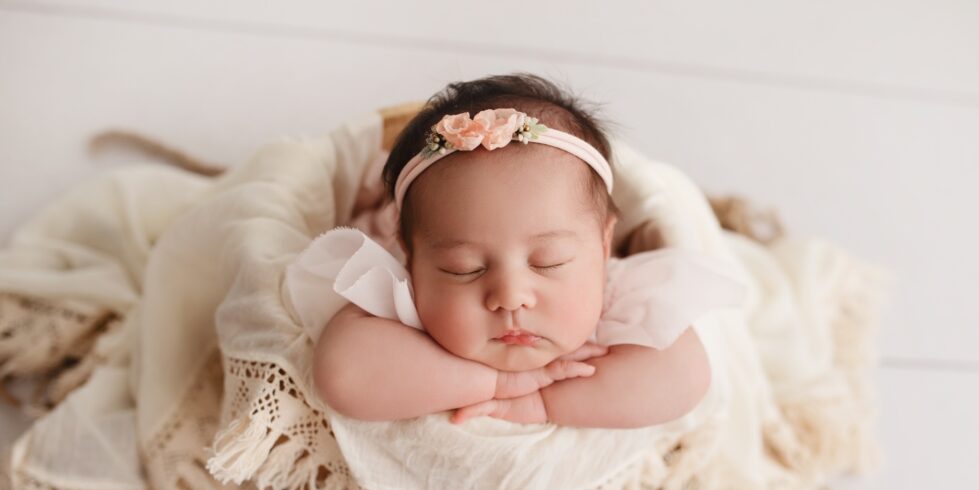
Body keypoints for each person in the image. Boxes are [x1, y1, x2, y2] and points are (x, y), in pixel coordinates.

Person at [285, 73, 747, 428]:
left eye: (549, 262)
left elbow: (685, 376)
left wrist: (540, 402)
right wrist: (500, 382)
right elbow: (344, 374)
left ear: (605, 245)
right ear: (410, 256)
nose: (511, 296)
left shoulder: (616, 296)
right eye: (463, 268)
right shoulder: (400, 299)